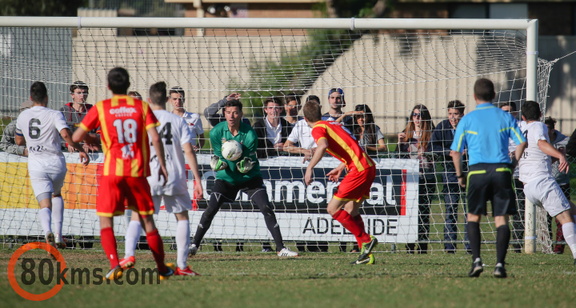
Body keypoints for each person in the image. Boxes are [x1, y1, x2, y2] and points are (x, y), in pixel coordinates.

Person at [72, 67, 174, 280]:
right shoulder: (141, 106)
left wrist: (93, 140)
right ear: (128, 86)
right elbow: (155, 138)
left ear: (108, 87)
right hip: (137, 173)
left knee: (105, 220)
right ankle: (162, 268)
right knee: (148, 222)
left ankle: (113, 264)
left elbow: (77, 136)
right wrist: (162, 165)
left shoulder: (101, 107)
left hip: (112, 172)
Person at [189, 99, 298, 257]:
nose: (231, 116)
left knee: (266, 208)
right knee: (211, 208)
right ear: (224, 114)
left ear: (240, 114)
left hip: (249, 177)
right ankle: (194, 245)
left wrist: (246, 164)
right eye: (228, 112)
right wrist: (219, 163)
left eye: (235, 112)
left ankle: (281, 249)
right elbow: (220, 156)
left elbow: (250, 160)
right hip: (226, 178)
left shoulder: (250, 134)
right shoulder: (216, 132)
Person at [119, 81, 204, 276]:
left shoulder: (140, 120)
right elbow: (189, 150)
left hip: (148, 176)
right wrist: (197, 179)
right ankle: (182, 265)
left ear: (148, 100)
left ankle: (129, 255)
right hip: (174, 175)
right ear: (167, 99)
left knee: (137, 215)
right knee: (181, 217)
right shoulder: (178, 121)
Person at [450, 78, 527, 278]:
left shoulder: (467, 119)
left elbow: (455, 152)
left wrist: (460, 175)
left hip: (476, 172)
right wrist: (512, 165)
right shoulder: (505, 116)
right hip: (501, 171)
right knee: (501, 219)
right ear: (494, 96)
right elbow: (521, 143)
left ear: (475, 97)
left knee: (473, 217)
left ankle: (476, 261)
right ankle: (500, 264)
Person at [302, 100, 378, 264]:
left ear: (305, 119)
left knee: (332, 208)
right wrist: (340, 167)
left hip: (359, 170)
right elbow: (351, 146)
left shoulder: (317, 128)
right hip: (368, 166)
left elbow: (322, 146)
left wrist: (309, 168)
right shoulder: (331, 123)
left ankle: (366, 239)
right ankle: (365, 255)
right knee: (351, 210)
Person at [15, 82, 89, 250]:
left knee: (44, 203)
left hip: (36, 163)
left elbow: (18, 141)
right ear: (47, 98)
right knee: (57, 195)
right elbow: (65, 134)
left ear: (31, 98)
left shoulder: (23, 116)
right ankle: (58, 235)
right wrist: (80, 150)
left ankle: (47, 230)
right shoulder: (55, 114)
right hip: (56, 162)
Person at [518, 101, 576, 265]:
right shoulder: (538, 126)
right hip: (542, 181)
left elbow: (538, 155)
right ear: (541, 115)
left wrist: (555, 155)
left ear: (523, 116)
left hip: (528, 187)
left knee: (573, 211)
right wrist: (560, 156)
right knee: (566, 218)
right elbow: (541, 144)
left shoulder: (521, 128)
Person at [430, 100, 469, 253]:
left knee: (469, 212)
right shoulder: (442, 126)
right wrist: (449, 152)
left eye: (456, 114)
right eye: (450, 114)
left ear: (462, 114)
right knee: (450, 210)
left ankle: (470, 247)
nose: (453, 117)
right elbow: (432, 146)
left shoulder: (469, 126)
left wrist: (467, 152)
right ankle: (449, 247)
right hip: (449, 173)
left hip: (468, 171)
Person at [398, 104, 435, 254]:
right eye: (414, 115)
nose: (417, 118)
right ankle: (409, 246)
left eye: (420, 115)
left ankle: (423, 246)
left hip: (427, 177)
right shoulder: (406, 134)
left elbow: (437, 155)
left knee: (424, 213)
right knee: (410, 214)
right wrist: (400, 144)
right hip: (410, 178)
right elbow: (398, 157)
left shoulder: (432, 134)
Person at [499, 101, 525, 253]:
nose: (506, 114)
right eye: (503, 111)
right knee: (504, 209)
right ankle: (503, 241)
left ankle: (517, 244)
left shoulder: (521, 127)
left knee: (520, 209)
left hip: (520, 173)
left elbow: (523, 143)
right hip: (503, 174)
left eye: (509, 111)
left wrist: (515, 155)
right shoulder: (497, 128)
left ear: (515, 113)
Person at [545, 117, 570, 254]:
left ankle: (559, 247)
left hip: (561, 183)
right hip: (545, 184)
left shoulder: (564, 141)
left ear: (552, 129)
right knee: (544, 217)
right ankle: (546, 244)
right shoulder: (539, 141)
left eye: (547, 129)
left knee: (562, 216)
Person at [60, 81, 100, 152]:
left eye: (84, 93)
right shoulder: (63, 112)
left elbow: (100, 133)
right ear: (72, 95)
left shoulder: (94, 111)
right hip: (68, 152)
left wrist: (90, 142)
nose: (82, 96)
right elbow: (56, 134)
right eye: (79, 93)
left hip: (90, 152)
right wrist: (67, 143)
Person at [283, 95, 319, 162]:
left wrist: (316, 150)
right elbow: (286, 146)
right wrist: (305, 151)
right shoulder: (299, 124)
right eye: (291, 106)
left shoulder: (325, 123)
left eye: (296, 106)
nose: (293, 108)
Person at [169, 86, 205, 151]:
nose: (178, 102)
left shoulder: (194, 117)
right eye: (175, 99)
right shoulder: (167, 118)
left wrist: (197, 148)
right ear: (170, 100)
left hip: (189, 154)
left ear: (184, 100)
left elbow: (202, 139)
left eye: (180, 99)